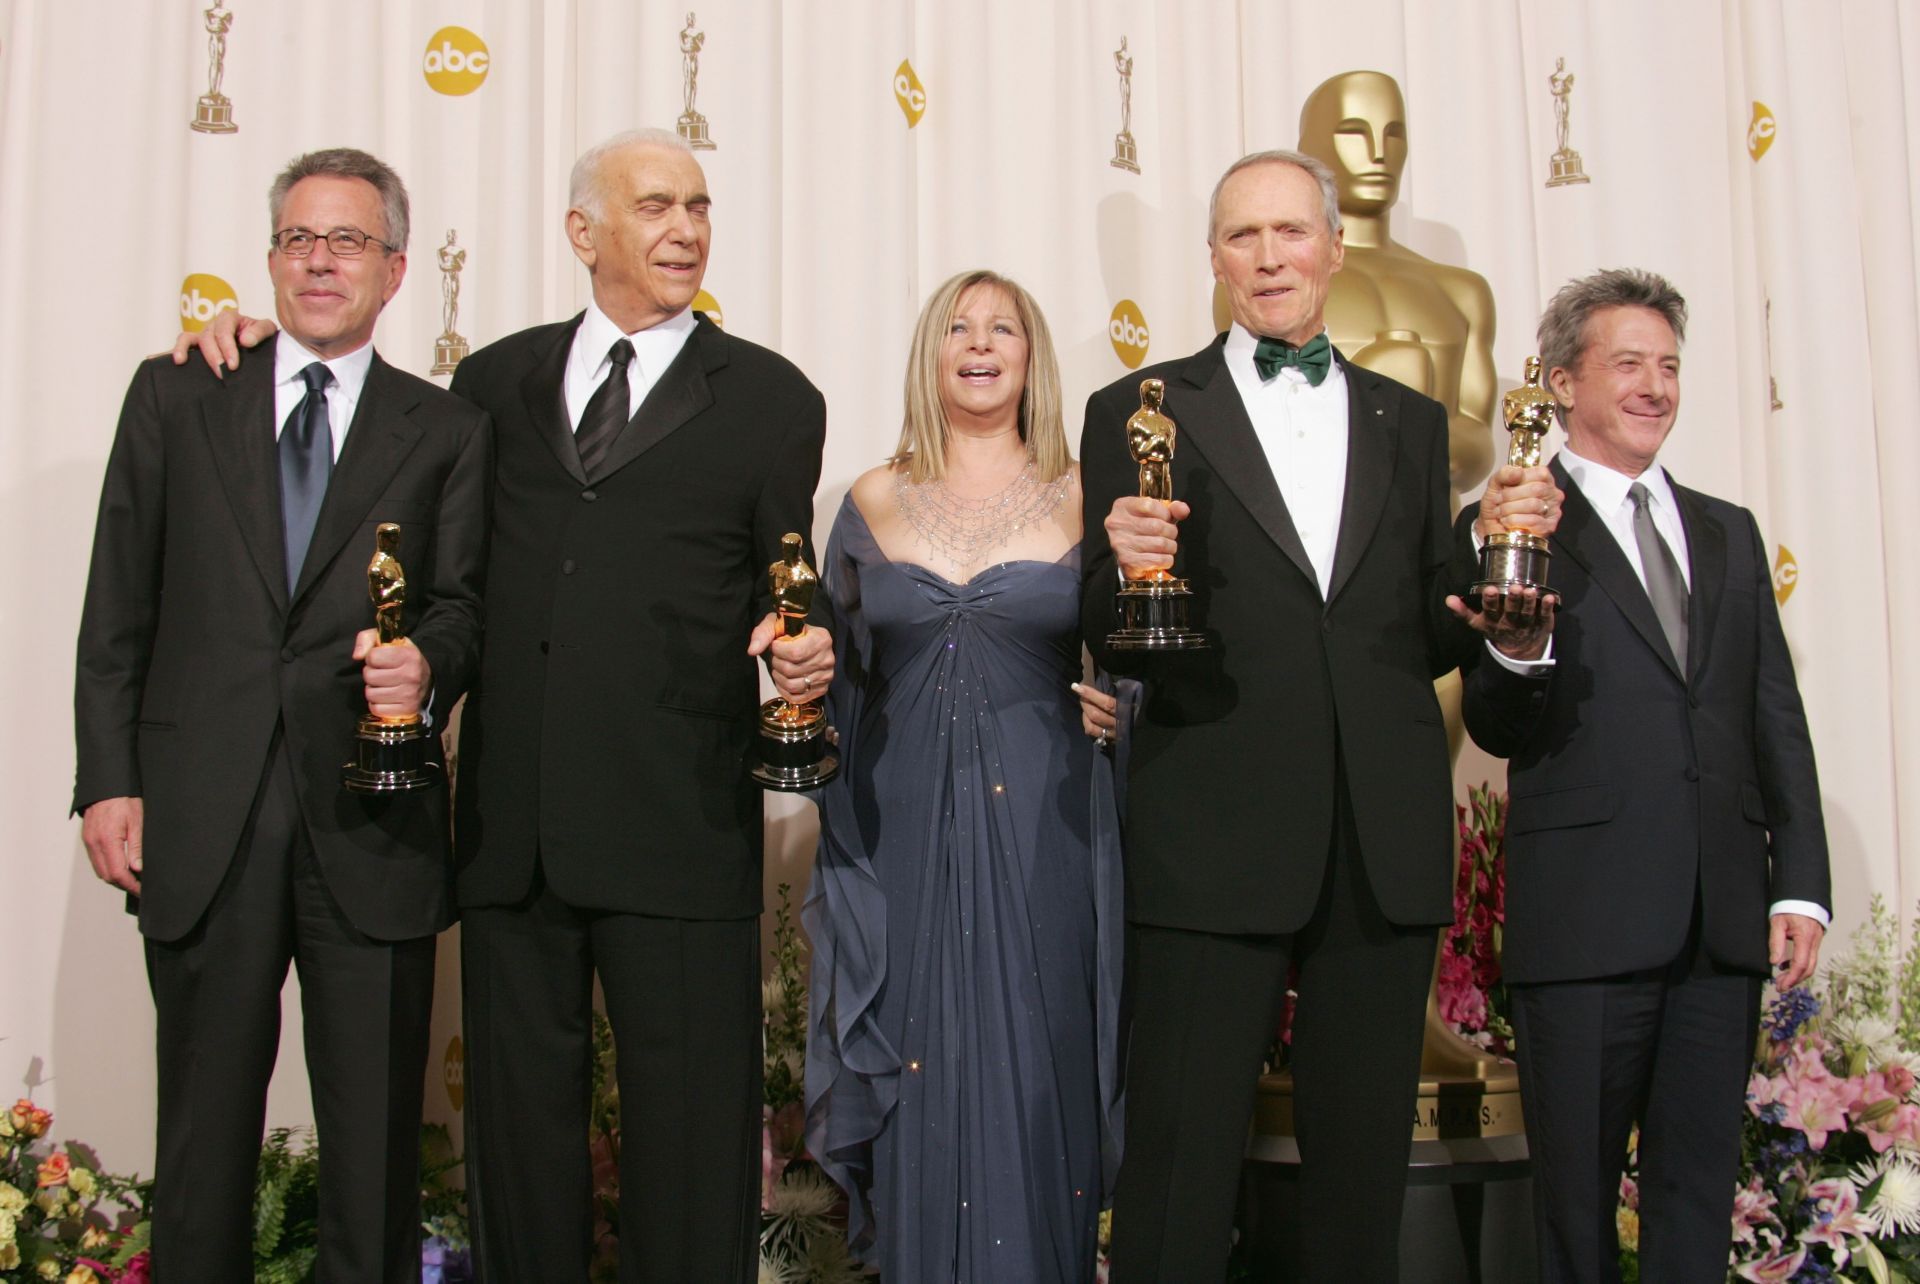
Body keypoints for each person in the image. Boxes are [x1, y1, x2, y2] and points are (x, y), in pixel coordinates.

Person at [178, 127, 831, 1282]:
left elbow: (793, 585)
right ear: (584, 232)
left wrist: (808, 655)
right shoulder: (489, 384)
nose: (685, 229)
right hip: (511, 831)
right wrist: (238, 335)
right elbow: (438, 585)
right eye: (655, 207)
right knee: (519, 1155)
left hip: (678, 825)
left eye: (699, 205)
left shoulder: (774, 397)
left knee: (690, 1145)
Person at [1077, 148, 1556, 1282]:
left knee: (1357, 1187)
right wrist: (1115, 567)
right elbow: (1106, 616)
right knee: (1180, 1171)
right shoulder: (1137, 409)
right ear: (1213, 261)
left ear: (1335, 248)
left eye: (1292, 232)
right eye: (1243, 236)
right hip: (1209, 831)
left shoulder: (1413, 419)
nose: (1269, 256)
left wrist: (1497, 576)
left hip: (1378, 841)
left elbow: (1425, 623)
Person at [78, 146, 491, 1282]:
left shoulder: (446, 429)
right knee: (204, 1135)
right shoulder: (176, 395)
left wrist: (430, 673)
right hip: (203, 816)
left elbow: (460, 609)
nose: (321, 261)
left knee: (372, 1151)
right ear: (268, 260)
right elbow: (120, 603)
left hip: (374, 817)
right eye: (299, 238)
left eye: (348, 240)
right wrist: (108, 779)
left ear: (397, 269)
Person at [1456, 268, 1830, 1283]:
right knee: (1573, 1210)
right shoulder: (1508, 524)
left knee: (1696, 1197)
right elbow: (1494, 722)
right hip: (1584, 924)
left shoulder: (1728, 530)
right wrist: (1520, 649)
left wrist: (1798, 881)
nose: (1655, 386)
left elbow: (1773, 716)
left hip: (1720, 924)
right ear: (1563, 382)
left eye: (1668, 366)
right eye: (1628, 363)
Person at [803, 270, 1123, 1282]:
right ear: (928, 354)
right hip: (900, 833)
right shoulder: (867, 498)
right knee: (917, 1065)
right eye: (957, 326)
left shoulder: (1091, 492)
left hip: (1052, 830)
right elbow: (829, 683)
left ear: (1033, 356)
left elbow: (1143, 654)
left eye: (1003, 327)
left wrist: (1129, 706)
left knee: (1043, 1069)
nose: (980, 344)